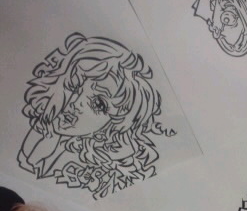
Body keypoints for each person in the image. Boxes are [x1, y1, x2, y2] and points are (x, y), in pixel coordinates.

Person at [18, 32, 170, 199]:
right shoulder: (42, 133)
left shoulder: (117, 171)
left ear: (117, 121)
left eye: (98, 104)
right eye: (74, 85)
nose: (75, 103)